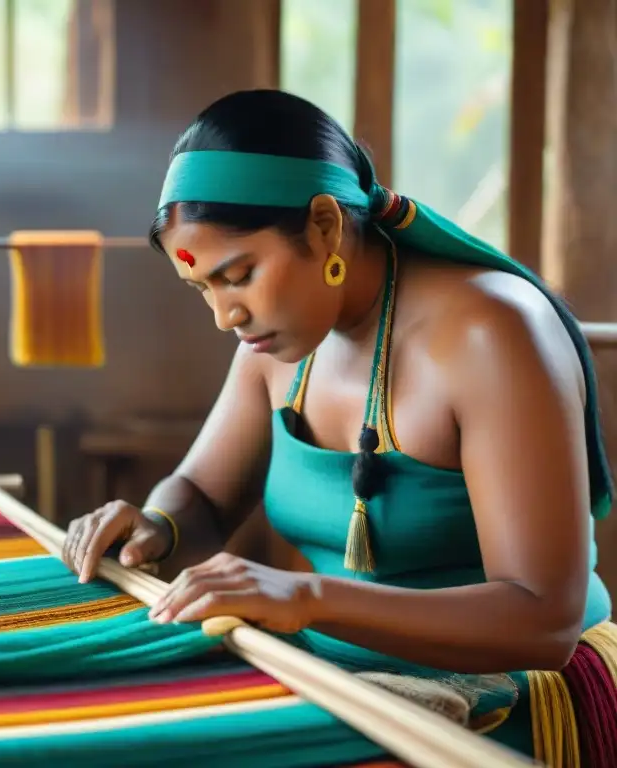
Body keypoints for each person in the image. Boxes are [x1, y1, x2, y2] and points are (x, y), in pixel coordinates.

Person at [61, 90, 617, 764]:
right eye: (204, 288)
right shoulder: (277, 345)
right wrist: (156, 526)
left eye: (237, 275)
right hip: (337, 685)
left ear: (324, 225)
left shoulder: (489, 334)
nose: (224, 316)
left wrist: (306, 595)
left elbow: (543, 620)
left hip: (507, 702)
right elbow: (203, 495)